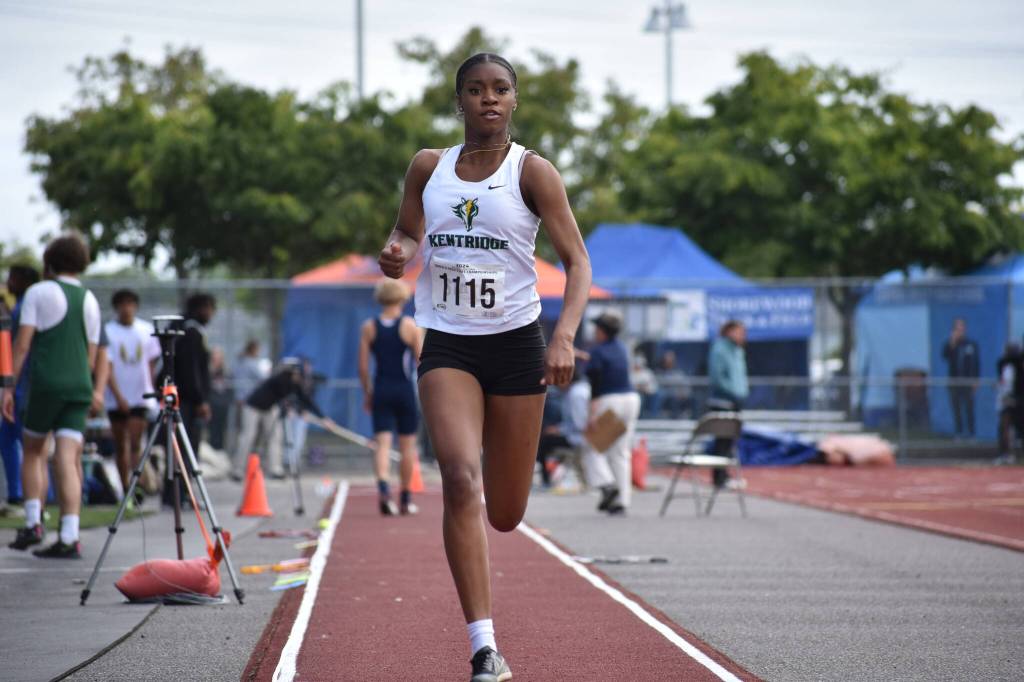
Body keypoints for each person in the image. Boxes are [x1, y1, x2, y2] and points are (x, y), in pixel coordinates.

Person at [377, 52, 590, 682]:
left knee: (505, 511)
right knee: (461, 479)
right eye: (475, 89)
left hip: (518, 344)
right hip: (447, 342)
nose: (488, 99)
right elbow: (408, 233)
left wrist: (565, 337)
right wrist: (398, 252)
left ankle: (501, 474)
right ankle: (484, 647)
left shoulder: (534, 173)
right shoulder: (428, 167)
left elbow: (577, 263)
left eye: (500, 89)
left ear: (514, 100)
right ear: (460, 100)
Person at [3, 233, 100, 558]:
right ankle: (69, 535)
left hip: (47, 383)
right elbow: (91, 354)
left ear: (49, 261)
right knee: (68, 456)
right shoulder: (89, 298)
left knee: (33, 450)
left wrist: (8, 386)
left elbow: (22, 345)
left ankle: (33, 522)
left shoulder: (38, 293)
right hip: (80, 385)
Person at [358, 278, 423, 516]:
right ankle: (405, 497)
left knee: (382, 445)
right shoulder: (409, 326)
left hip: (381, 389)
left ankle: (384, 489)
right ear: (402, 298)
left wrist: (368, 393)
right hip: (404, 389)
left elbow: (363, 367)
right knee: (408, 447)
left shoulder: (369, 327)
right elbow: (420, 361)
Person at [582, 310, 641, 515]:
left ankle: (607, 484)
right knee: (620, 452)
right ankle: (622, 500)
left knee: (592, 446)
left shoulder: (598, 350)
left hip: (609, 399)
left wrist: (592, 410)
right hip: (631, 399)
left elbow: (595, 378)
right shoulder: (621, 348)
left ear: (603, 331)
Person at [159, 293, 215, 506]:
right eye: (209, 308)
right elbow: (192, 371)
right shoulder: (191, 332)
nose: (211, 314)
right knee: (184, 447)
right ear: (201, 308)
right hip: (187, 400)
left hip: (179, 396)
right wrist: (201, 400)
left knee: (179, 446)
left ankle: (178, 493)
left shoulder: (182, 328)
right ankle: (178, 493)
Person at [234, 358, 329, 479]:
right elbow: (283, 398)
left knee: (276, 437)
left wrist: (323, 417)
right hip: (254, 406)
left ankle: (275, 468)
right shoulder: (280, 379)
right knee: (248, 436)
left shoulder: (294, 384)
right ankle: (238, 469)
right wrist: (296, 410)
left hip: (269, 408)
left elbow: (305, 400)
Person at [104, 289, 160, 493]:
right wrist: (118, 396)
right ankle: (125, 486)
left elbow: (151, 363)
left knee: (136, 442)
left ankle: (138, 484)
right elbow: (106, 366)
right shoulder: (108, 331)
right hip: (116, 398)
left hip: (140, 396)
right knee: (121, 444)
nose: (127, 308)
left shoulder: (145, 330)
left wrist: (152, 390)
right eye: (122, 304)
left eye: (130, 303)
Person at [0, 265, 39, 507]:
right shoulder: (22, 305)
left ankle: (37, 498)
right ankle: (17, 493)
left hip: (23, 384)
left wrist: (10, 386)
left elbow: (21, 348)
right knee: (9, 438)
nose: (9, 282)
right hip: (21, 383)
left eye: (13, 277)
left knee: (31, 445)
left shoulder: (27, 306)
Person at [707, 320, 749, 488]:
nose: (742, 336)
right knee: (721, 441)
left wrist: (742, 392)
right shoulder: (719, 349)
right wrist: (732, 391)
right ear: (730, 331)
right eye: (739, 331)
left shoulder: (738, 351)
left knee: (730, 441)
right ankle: (719, 477)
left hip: (737, 400)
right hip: (723, 401)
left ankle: (725, 475)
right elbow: (717, 377)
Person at [536, 361, 590, 488]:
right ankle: (548, 477)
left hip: (577, 438)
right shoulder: (578, 390)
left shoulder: (576, 394)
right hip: (575, 435)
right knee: (546, 437)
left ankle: (546, 480)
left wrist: (559, 430)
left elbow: (580, 424)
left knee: (543, 442)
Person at [942, 318, 980, 438]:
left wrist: (976, 380)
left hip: (968, 382)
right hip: (954, 382)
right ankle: (958, 433)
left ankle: (972, 433)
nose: (960, 331)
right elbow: (945, 356)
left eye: (961, 328)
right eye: (957, 329)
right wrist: (952, 342)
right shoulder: (950, 344)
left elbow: (976, 363)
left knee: (969, 408)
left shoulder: (971, 345)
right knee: (956, 408)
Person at [995, 342, 1019, 464]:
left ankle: (1009, 454)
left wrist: (1010, 397)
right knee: (1003, 428)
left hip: (1011, 402)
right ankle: (1004, 454)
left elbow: (1011, 386)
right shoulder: (1005, 367)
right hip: (1004, 401)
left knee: (1008, 429)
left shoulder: (1013, 368)